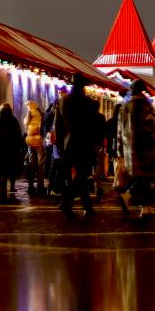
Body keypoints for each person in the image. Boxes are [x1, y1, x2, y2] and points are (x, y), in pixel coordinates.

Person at [59, 75, 104, 217]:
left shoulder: (64, 101)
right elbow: (92, 124)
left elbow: (59, 125)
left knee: (81, 176)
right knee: (82, 175)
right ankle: (66, 201)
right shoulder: (88, 102)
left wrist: (60, 144)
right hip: (84, 142)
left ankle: (87, 206)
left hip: (69, 142)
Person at [117, 79, 155, 216]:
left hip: (129, 149)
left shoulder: (124, 107)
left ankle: (145, 206)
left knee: (140, 176)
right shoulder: (145, 106)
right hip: (145, 147)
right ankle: (128, 195)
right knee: (145, 177)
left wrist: (119, 151)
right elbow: (153, 125)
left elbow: (119, 131)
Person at [0, 103, 25, 200]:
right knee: (12, 167)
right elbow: (18, 134)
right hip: (13, 148)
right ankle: (12, 186)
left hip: (1, 149)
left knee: (3, 168)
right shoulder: (14, 120)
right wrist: (20, 146)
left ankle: (3, 187)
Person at [23, 101, 46, 195]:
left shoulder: (27, 117)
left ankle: (31, 186)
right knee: (41, 164)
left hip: (30, 142)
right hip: (39, 142)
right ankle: (40, 186)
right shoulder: (40, 116)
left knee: (31, 164)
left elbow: (26, 130)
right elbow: (42, 130)